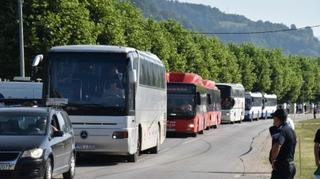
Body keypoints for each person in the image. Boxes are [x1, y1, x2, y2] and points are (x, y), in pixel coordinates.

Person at [270, 109, 297, 179]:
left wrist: (273, 160)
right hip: (289, 166)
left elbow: (277, 145)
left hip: (283, 168)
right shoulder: (290, 129)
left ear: (277, 118)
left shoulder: (282, 131)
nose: (273, 120)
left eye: (274, 118)